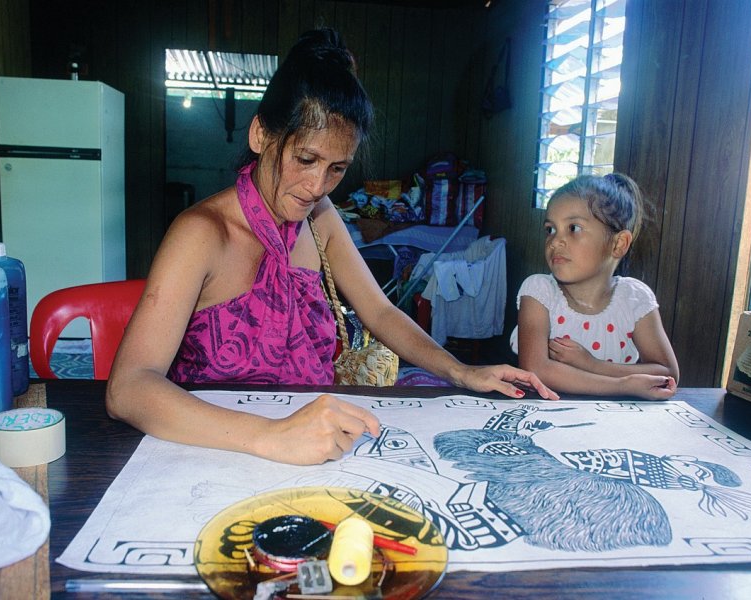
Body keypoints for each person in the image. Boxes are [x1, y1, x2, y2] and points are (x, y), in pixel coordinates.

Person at [106, 28, 557, 466]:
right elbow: (128, 389)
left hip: (317, 444)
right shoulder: (202, 233)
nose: (316, 186)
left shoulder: (320, 216)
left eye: (336, 168)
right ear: (261, 134)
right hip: (213, 450)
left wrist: (459, 370)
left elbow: (379, 313)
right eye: (305, 160)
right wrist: (270, 436)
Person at [510, 173, 679, 400]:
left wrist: (593, 364)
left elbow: (667, 373)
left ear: (618, 244)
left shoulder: (634, 299)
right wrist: (622, 385)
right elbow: (538, 370)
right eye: (550, 229)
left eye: (574, 228)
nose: (555, 241)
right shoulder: (539, 292)